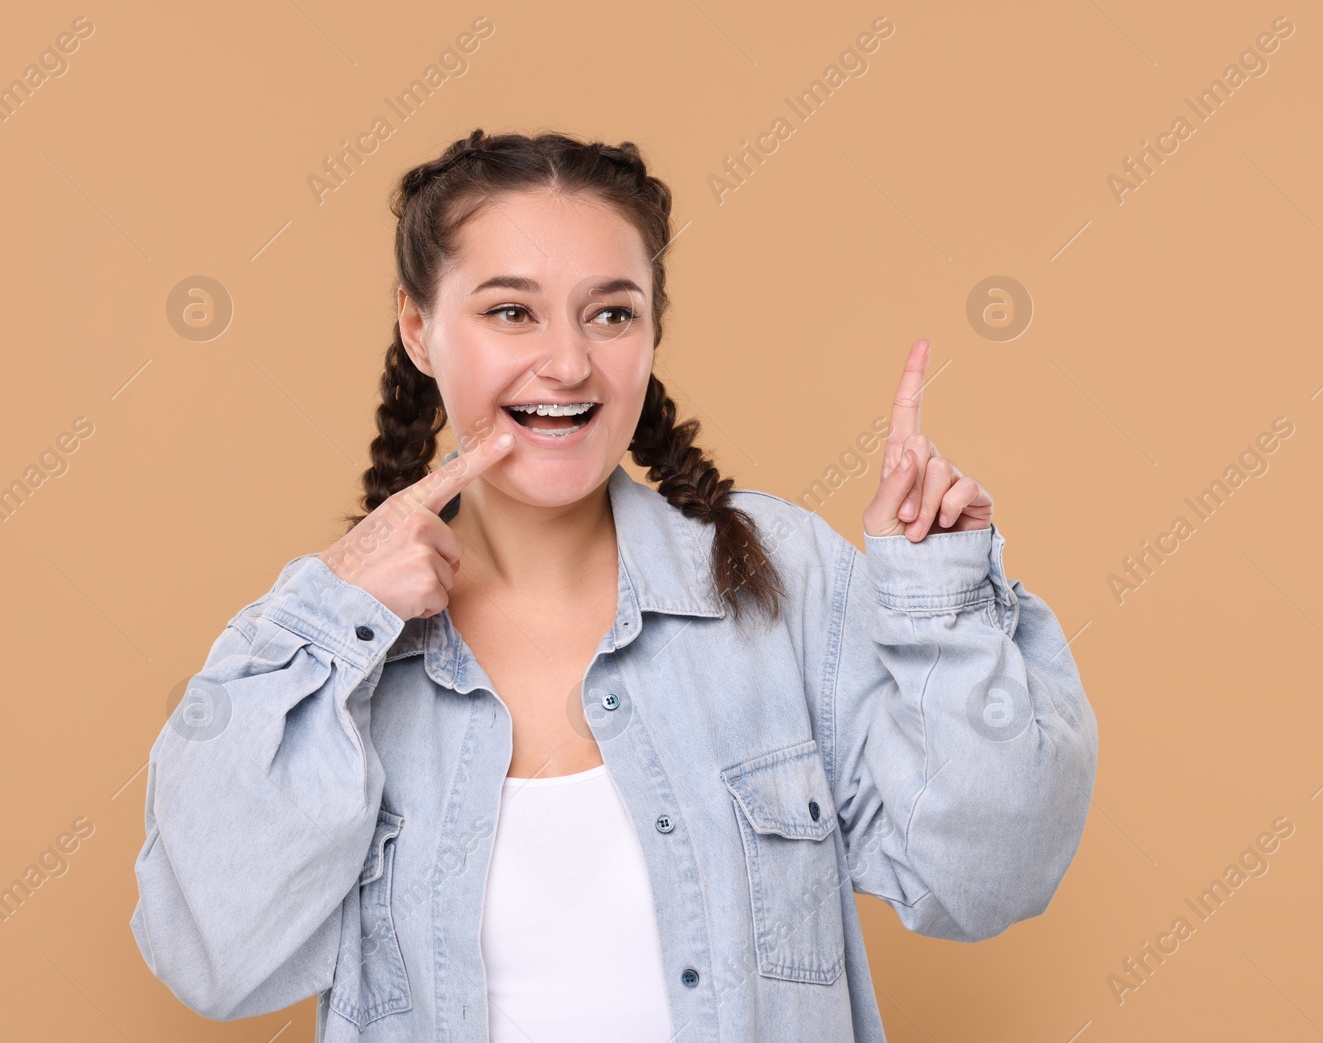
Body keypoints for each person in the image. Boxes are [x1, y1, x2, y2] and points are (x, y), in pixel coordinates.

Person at [129, 129, 1098, 1042]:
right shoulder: (336, 646)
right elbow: (218, 962)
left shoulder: (781, 575)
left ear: (651, 331)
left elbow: (984, 881)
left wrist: (937, 594)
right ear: (418, 328)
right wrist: (331, 612)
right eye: (510, 310)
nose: (566, 360)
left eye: (611, 312)